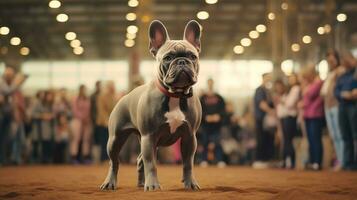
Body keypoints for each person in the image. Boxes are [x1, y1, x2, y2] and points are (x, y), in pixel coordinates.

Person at [320, 50, 345, 170]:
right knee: (334, 135)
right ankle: (340, 160)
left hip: (336, 105)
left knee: (340, 134)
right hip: (327, 106)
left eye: (332, 59)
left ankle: (344, 161)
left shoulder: (340, 71)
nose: (330, 62)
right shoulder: (329, 73)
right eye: (328, 60)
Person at [334, 52, 357, 170]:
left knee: (355, 135)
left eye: (348, 60)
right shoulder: (342, 76)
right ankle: (348, 163)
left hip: (354, 105)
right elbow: (336, 91)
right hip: (342, 106)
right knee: (345, 135)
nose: (346, 62)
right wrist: (343, 94)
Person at [0, 67, 27, 165]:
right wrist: (17, 82)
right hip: (1, 114)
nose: (10, 77)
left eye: (11, 75)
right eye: (8, 75)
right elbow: (8, 91)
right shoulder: (1, 83)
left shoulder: (11, 85)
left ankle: (3, 159)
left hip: (8, 115)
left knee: (5, 138)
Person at [301, 66, 324, 170]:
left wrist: (305, 88)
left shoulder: (318, 83)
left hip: (316, 114)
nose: (306, 79)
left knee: (316, 139)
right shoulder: (310, 84)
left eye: (307, 76)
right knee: (310, 140)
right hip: (308, 115)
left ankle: (317, 162)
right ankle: (312, 161)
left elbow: (310, 95)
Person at [199, 78, 226, 167]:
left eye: (211, 83)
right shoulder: (202, 97)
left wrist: (218, 116)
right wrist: (205, 117)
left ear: (213, 84)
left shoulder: (219, 97)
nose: (210, 84)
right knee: (205, 141)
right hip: (206, 125)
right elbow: (199, 110)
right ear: (207, 84)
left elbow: (223, 110)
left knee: (217, 142)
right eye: (209, 83)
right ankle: (204, 160)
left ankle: (219, 160)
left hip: (216, 125)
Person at [275, 75, 300, 169]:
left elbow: (290, 104)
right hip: (283, 119)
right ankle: (285, 161)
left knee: (288, 140)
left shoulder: (295, 89)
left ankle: (291, 161)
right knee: (285, 141)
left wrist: (281, 101)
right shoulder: (287, 93)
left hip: (289, 118)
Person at [253, 73, 276, 169]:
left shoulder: (268, 91)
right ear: (263, 78)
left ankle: (266, 159)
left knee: (267, 139)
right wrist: (272, 112)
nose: (269, 79)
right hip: (261, 119)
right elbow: (262, 104)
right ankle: (259, 159)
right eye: (268, 78)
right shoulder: (260, 90)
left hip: (267, 121)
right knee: (261, 139)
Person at [32, 90, 56, 164]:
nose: (50, 97)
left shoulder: (51, 105)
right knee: (37, 144)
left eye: (51, 96)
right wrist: (42, 116)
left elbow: (55, 114)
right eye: (48, 95)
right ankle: (35, 159)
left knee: (47, 144)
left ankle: (46, 159)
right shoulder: (38, 103)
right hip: (38, 127)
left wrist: (51, 116)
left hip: (48, 128)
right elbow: (33, 114)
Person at [70, 85, 91, 164]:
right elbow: (74, 110)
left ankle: (85, 157)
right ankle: (74, 157)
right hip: (77, 120)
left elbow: (89, 110)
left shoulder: (87, 99)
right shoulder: (76, 98)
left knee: (86, 139)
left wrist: (86, 118)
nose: (84, 91)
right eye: (83, 89)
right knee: (76, 139)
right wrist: (82, 118)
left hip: (86, 121)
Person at [96, 81, 116, 162]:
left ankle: (109, 158)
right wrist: (106, 121)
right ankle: (102, 159)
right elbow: (101, 110)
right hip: (103, 123)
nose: (113, 88)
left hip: (111, 123)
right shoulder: (102, 96)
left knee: (110, 141)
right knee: (104, 141)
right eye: (112, 86)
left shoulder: (113, 96)